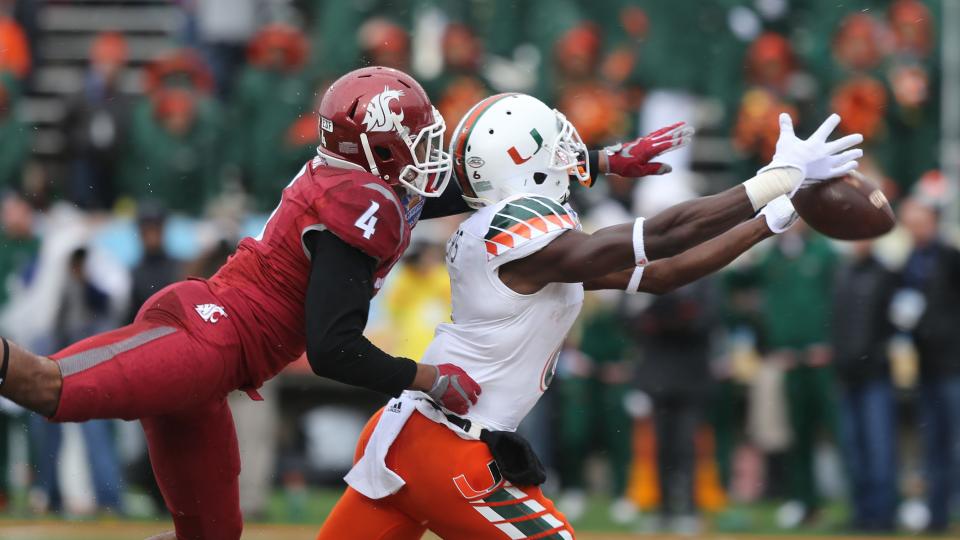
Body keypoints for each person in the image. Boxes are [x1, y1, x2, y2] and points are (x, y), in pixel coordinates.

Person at [0, 66, 682, 539]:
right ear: (376, 150)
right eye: (412, 139)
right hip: (205, 337)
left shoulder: (363, 179)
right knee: (44, 385)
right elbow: (332, 349)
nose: (427, 149)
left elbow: (475, 185)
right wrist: (426, 377)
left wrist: (597, 161)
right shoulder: (361, 202)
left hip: (223, 365)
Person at [315, 95, 862, 539]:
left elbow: (666, 274)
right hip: (448, 448)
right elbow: (661, 237)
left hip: (408, 434)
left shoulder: (514, 241)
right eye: (552, 144)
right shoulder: (523, 238)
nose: (566, 152)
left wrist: (771, 220)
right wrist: (773, 178)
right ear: (525, 164)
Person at [897, 195, 960, 532]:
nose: (913, 226)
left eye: (917, 219)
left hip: (954, 364)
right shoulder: (911, 259)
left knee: (955, 441)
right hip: (927, 366)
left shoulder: (949, 257)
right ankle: (938, 515)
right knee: (934, 443)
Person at [831, 239, 898, 532]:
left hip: (875, 374)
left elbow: (893, 323)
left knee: (879, 447)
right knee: (854, 449)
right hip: (847, 375)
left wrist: (876, 354)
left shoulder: (885, 273)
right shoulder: (842, 273)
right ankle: (861, 513)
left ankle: (883, 515)